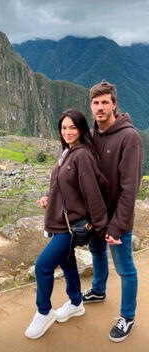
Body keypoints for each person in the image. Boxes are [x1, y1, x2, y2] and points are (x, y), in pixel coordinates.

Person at [25, 110, 108, 339]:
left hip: (69, 226)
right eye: (64, 128)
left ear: (81, 129)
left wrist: (102, 227)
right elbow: (63, 187)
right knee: (68, 262)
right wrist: (49, 199)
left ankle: (44, 312)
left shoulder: (82, 155)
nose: (67, 132)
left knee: (43, 266)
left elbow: (92, 193)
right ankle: (76, 302)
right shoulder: (67, 152)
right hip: (59, 221)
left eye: (72, 127)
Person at [81, 81, 144, 342]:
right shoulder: (91, 135)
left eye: (105, 102)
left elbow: (130, 189)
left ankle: (127, 316)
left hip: (117, 219)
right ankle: (98, 289)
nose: (100, 107)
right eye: (95, 103)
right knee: (96, 254)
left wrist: (117, 226)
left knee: (125, 268)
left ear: (114, 104)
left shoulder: (130, 138)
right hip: (96, 216)